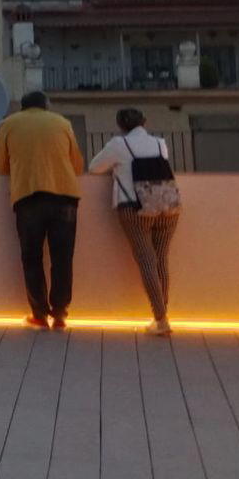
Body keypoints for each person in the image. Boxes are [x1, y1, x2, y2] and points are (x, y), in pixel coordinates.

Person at [0, 90, 84, 330]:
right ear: (46, 106)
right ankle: (60, 313)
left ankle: (39, 314)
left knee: (31, 256)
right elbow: (77, 164)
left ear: (23, 107)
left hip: (28, 197)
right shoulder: (62, 123)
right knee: (62, 257)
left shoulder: (8, 124)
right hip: (65, 197)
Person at [89, 108, 179, 336]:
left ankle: (161, 319)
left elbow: (94, 167)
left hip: (134, 209)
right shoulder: (160, 143)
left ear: (120, 126)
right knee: (161, 258)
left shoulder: (118, 145)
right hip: (167, 206)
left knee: (146, 260)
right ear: (144, 122)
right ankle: (162, 314)